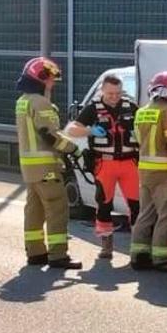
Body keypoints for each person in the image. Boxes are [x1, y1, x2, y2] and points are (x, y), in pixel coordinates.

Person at [13, 57, 82, 270]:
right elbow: (49, 135)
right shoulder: (41, 103)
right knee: (57, 209)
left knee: (33, 210)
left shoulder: (22, 101)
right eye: (50, 79)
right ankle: (58, 255)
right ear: (40, 78)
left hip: (29, 168)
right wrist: (74, 149)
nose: (52, 84)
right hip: (46, 167)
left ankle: (35, 253)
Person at [66, 74, 139, 261]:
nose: (114, 97)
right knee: (104, 204)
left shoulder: (130, 107)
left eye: (117, 93)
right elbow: (71, 130)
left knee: (136, 205)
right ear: (102, 91)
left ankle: (138, 246)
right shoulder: (93, 109)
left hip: (129, 162)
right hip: (104, 163)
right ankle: (107, 246)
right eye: (110, 93)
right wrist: (90, 130)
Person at [130, 71, 167, 271]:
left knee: (145, 213)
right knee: (166, 215)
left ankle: (138, 254)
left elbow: (136, 140)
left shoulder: (141, 111)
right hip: (165, 172)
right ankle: (162, 257)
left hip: (144, 171)